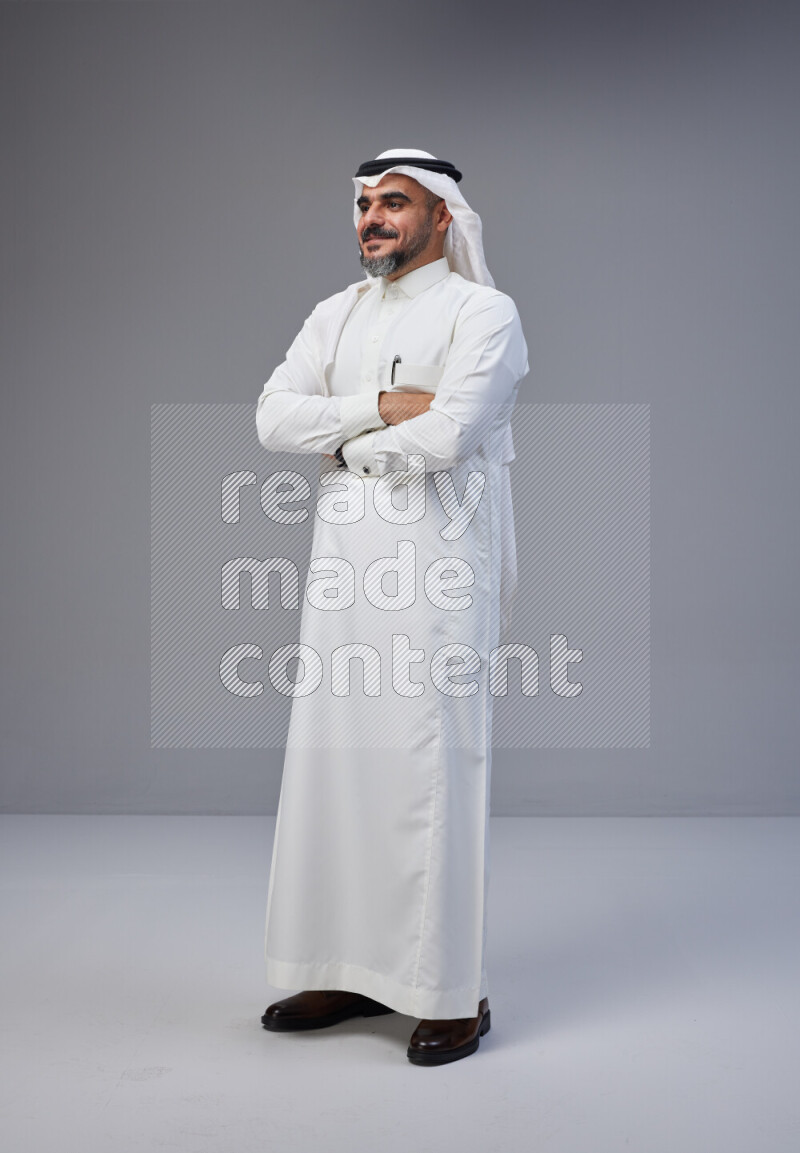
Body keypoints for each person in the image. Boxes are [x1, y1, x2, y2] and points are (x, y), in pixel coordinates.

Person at [255, 148, 529, 1065]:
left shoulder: (484, 313)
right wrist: (378, 405)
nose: (374, 217)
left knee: (429, 767)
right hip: (344, 571)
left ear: (442, 217)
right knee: (337, 759)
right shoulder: (334, 313)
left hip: (440, 568)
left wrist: (347, 445)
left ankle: (450, 991)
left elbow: (453, 432)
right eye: (367, 203)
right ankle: (340, 967)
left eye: (396, 203)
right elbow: (271, 416)